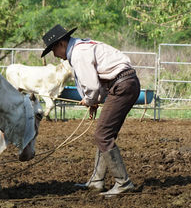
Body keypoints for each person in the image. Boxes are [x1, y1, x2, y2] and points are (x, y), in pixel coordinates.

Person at [41, 24, 140, 196]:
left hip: (121, 86)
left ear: (61, 44)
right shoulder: (82, 48)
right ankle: (96, 181)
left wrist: (90, 100)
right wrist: (94, 100)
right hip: (124, 83)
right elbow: (97, 80)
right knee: (104, 132)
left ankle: (123, 183)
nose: (55, 55)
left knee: (103, 134)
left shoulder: (79, 54)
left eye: (53, 50)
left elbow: (92, 86)